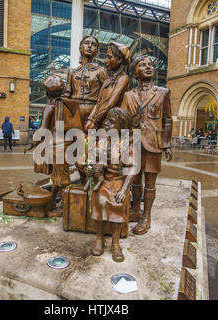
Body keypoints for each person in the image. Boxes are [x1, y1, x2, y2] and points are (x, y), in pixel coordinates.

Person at [121, 55, 173, 234]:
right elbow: (123, 120)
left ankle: (147, 216)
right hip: (133, 143)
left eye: (150, 64)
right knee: (135, 180)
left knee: (150, 183)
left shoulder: (163, 92)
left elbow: (167, 120)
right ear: (135, 73)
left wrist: (167, 143)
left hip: (153, 143)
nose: (148, 67)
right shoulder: (128, 95)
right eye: (142, 65)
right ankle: (135, 210)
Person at [85, 108, 135, 263]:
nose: (106, 123)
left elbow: (132, 168)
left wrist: (124, 188)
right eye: (106, 120)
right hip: (102, 180)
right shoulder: (99, 142)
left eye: (112, 122)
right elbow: (89, 162)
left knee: (116, 203)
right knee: (99, 199)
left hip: (117, 181)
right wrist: (90, 170)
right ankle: (99, 238)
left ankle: (115, 242)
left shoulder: (125, 144)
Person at [85, 41, 130, 131]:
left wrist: (95, 120)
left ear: (119, 60)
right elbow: (99, 103)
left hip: (111, 124)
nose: (106, 61)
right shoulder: (108, 80)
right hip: (101, 121)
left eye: (109, 57)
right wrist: (90, 119)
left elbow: (111, 103)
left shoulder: (123, 78)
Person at [64, 35, 108, 127]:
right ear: (80, 48)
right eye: (86, 43)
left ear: (97, 51)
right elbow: (67, 95)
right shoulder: (72, 72)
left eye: (93, 44)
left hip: (93, 111)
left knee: (90, 140)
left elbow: (105, 96)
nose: (89, 46)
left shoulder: (101, 70)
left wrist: (95, 117)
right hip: (74, 111)